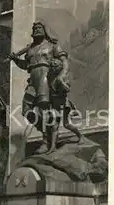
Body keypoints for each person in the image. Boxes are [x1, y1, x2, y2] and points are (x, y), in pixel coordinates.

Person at [8, 22, 81, 154]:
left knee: (44, 109)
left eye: (40, 28)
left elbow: (64, 61)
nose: (37, 30)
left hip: (45, 77)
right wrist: (15, 60)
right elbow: (26, 65)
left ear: (45, 30)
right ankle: (43, 131)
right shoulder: (30, 49)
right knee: (26, 109)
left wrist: (61, 76)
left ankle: (46, 141)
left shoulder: (52, 45)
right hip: (33, 80)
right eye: (35, 28)